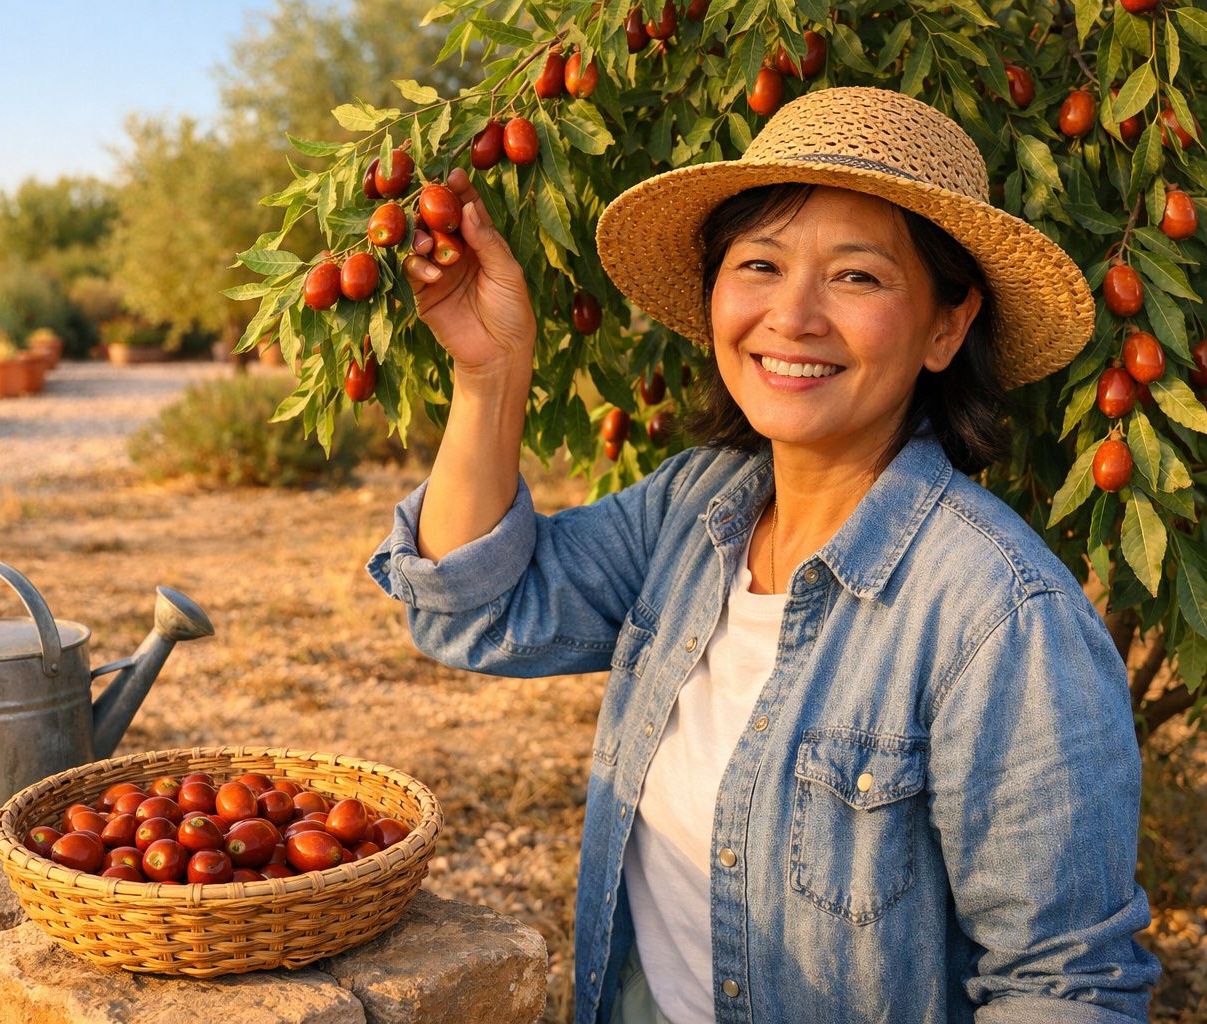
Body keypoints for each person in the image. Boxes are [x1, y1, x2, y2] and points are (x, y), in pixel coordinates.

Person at [366, 87, 1162, 1023]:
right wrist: (490, 374)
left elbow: (1065, 990)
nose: (793, 316)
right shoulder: (695, 510)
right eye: (759, 264)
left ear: (946, 327)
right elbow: (472, 611)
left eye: (857, 277)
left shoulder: (999, 619)